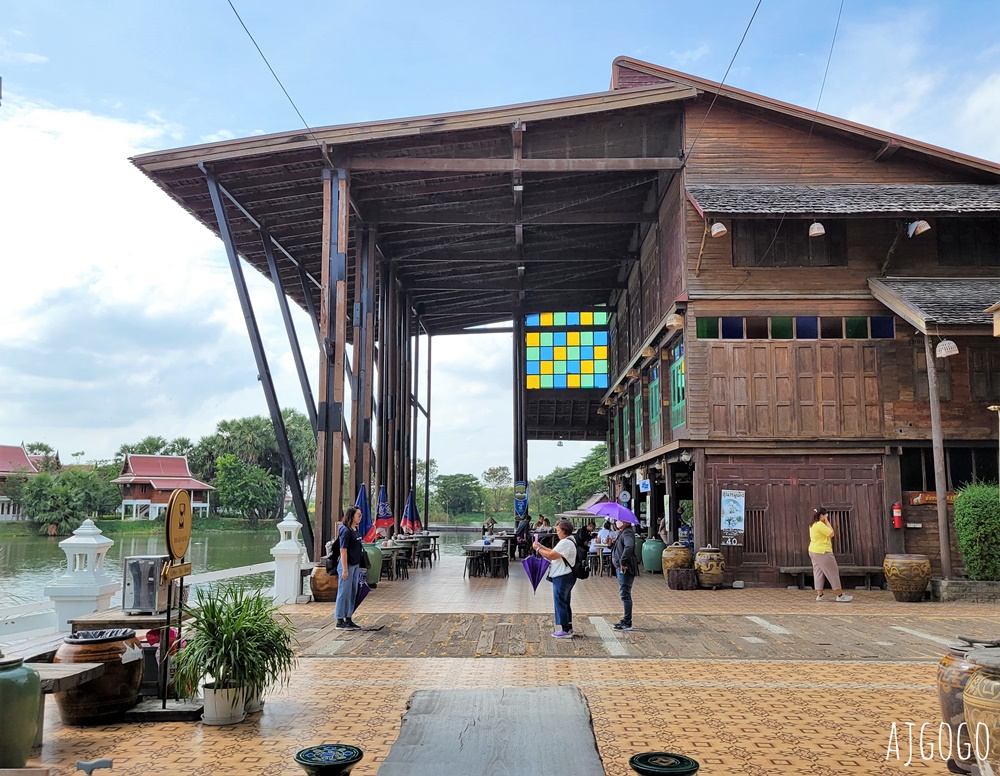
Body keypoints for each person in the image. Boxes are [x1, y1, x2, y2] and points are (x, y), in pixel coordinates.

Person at [533, 519, 577, 639]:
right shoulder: (569, 541)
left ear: (564, 530)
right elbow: (554, 552)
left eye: (558, 530)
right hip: (566, 575)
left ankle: (565, 629)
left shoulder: (565, 543)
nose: (556, 532)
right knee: (565, 601)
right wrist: (541, 546)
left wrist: (537, 550)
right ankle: (568, 626)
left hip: (562, 576)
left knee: (560, 601)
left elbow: (551, 555)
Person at [809, 507, 852, 603]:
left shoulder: (812, 524)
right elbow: (831, 533)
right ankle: (839, 595)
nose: (826, 516)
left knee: (818, 572)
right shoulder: (820, 525)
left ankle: (820, 595)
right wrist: (827, 521)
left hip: (813, 550)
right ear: (821, 516)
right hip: (823, 551)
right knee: (833, 572)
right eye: (825, 515)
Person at [335, 505, 365, 630]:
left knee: (353, 592)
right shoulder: (346, 531)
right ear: (352, 516)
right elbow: (343, 550)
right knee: (344, 592)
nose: (360, 517)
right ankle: (340, 620)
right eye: (358, 515)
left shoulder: (355, 530)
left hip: (355, 565)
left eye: (361, 515)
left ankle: (348, 617)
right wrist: (345, 569)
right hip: (346, 566)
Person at [610, 518, 638, 630]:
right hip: (620, 567)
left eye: (620, 520)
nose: (618, 522)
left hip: (625, 568)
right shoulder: (622, 532)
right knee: (624, 593)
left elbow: (629, 546)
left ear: (626, 522)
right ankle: (626, 619)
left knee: (625, 593)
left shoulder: (627, 533)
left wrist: (623, 561)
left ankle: (627, 621)